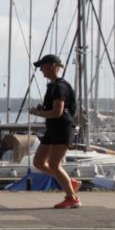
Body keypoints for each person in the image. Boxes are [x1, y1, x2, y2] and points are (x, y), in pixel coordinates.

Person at [29, 54, 81, 209]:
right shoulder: (52, 86)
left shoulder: (60, 87)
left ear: (52, 66)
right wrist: (42, 110)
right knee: (38, 162)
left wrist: (37, 113)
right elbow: (52, 110)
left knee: (54, 164)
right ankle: (69, 182)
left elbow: (57, 112)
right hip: (52, 129)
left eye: (42, 67)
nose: (40, 71)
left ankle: (72, 198)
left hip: (62, 128)